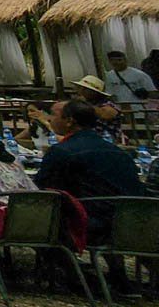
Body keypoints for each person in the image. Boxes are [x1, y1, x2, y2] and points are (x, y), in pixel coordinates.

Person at [34, 99, 142, 239]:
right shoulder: (119, 152)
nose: (49, 119)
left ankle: (57, 260)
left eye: (53, 115)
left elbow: (42, 187)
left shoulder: (62, 151)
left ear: (69, 121)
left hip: (90, 222)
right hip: (130, 221)